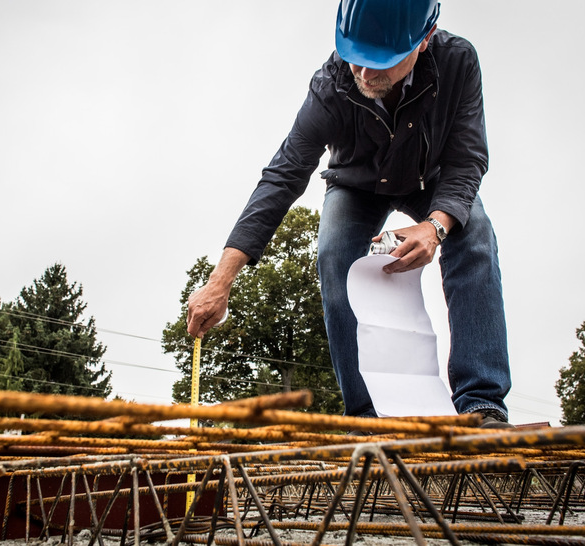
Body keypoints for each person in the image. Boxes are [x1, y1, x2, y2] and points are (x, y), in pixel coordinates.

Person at [187, 0, 513, 428]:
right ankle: (365, 415)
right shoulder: (330, 86)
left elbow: (467, 158)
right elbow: (282, 176)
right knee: (334, 253)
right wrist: (220, 281)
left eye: (381, 62)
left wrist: (435, 226)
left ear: (425, 39)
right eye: (356, 58)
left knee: (476, 236)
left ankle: (481, 402)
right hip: (357, 183)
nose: (363, 74)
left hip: (431, 179)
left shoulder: (458, 61)